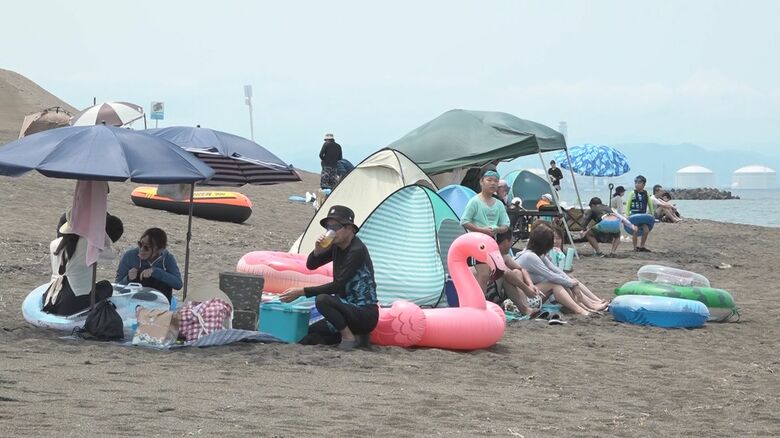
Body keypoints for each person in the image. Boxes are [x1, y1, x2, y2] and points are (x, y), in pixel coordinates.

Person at [280, 205, 378, 350]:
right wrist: (317, 251)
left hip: (363, 313)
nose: (331, 231)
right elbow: (311, 265)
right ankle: (359, 337)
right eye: (328, 227)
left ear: (350, 229)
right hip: (345, 309)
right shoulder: (336, 246)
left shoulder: (356, 250)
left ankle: (348, 337)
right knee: (310, 334)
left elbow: (338, 285)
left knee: (322, 300)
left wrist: (302, 292)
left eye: (336, 227)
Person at [515, 225, 610, 315]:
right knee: (556, 283)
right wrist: (571, 284)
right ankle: (582, 309)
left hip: (532, 292)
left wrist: (571, 282)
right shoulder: (530, 256)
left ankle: (589, 304)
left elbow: (554, 269)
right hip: (523, 299)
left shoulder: (536, 253)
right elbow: (550, 275)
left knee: (566, 280)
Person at [44, 214, 124, 316]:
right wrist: (100, 235)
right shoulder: (88, 245)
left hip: (49, 298)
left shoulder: (54, 243)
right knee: (106, 286)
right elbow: (110, 256)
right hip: (71, 303)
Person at [460, 166, 511, 293]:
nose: (493, 183)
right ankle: (479, 302)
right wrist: (481, 230)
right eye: (489, 180)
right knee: (483, 274)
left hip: (492, 243)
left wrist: (497, 229)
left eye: (495, 181)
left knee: (494, 273)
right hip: (476, 243)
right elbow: (464, 221)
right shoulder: (475, 201)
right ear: (481, 181)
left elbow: (505, 225)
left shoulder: (499, 204)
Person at [485, 231, 546, 315]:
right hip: (486, 293)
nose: (511, 244)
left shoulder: (504, 256)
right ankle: (524, 308)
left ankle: (525, 307)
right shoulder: (493, 255)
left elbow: (522, 269)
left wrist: (530, 284)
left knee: (517, 272)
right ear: (506, 242)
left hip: (497, 291)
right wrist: (526, 289)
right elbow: (506, 272)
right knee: (505, 276)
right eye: (511, 241)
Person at [116, 228, 182, 302]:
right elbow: (117, 287)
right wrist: (128, 278)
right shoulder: (130, 256)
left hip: (159, 303)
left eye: (146, 247)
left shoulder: (167, 258)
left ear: (160, 249)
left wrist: (156, 272)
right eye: (140, 244)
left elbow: (178, 284)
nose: (141, 249)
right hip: (132, 301)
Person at [625, 175, 655, 252]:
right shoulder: (632, 193)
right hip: (634, 216)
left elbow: (650, 204)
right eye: (635, 183)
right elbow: (628, 204)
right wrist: (627, 214)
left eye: (639, 183)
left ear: (644, 184)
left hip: (643, 217)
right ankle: (635, 247)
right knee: (635, 230)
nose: (636, 184)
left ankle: (642, 246)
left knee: (646, 230)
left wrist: (652, 213)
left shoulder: (646, 193)